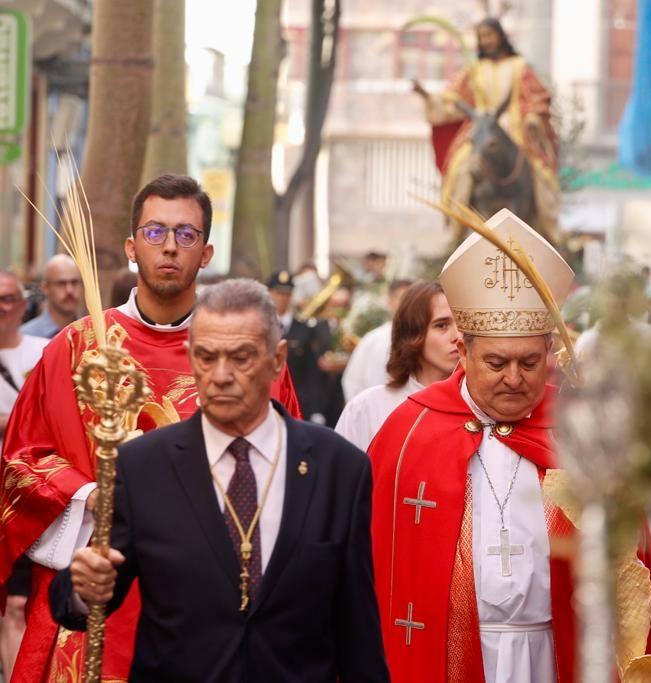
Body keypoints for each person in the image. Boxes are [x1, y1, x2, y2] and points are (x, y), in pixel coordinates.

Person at [0, 173, 301, 683]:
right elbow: (21, 462)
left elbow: (287, 465)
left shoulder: (243, 353)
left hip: (213, 594)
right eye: (155, 232)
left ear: (205, 254)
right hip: (97, 584)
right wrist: (91, 495)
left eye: (186, 235)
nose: (168, 247)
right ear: (132, 245)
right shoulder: (73, 349)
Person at [367, 209, 651, 682]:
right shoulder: (411, 432)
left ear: (550, 352)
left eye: (529, 363)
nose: (514, 379)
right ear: (463, 352)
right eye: (495, 363)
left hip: (556, 652)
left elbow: (629, 559)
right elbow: (375, 562)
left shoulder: (579, 431)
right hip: (450, 655)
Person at [48, 280, 388, 682]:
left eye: (240, 358)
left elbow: (358, 628)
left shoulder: (338, 469)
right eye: (207, 358)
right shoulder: (142, 466)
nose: (221, 376)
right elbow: (91, 595)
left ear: (277, 359)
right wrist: (83, 587)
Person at [412, 17, 560, 242]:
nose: (486, 41)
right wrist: (426, 96)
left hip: (513, 129)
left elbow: (536, 98)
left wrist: (531, 118)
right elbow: (452, 100)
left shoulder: (519, 67)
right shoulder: (474, 70)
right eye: (482, 37)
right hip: (479, 127)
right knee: (461, 169)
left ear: (500, 36)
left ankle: (548, 232)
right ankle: (457, 232)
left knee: (540, 174)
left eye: (489, 35)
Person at [335, 281, 459, 451]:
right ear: (412, 332)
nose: (457, 336)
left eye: (462, 324)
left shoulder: (481, 407)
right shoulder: (367, 408)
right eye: (441, 325)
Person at [0, 271, 48, 676]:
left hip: (30, 492)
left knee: (21, 601)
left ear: (23, 303)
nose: (2, 307)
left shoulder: (45, 350)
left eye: (9, 298)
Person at [268, 270, 340, 426]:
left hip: (298, 403)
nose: (282, 298)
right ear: (270, 293)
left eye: (286, 293)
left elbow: (312, 373)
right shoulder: (261, 326)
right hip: (268, 400)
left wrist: (315, 409)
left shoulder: (305, 329)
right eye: (278, 293)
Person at [342, 279, 412, 401]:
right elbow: (352, 381)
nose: (407, 305)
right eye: (402, 299)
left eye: (412, 300)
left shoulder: (427, 338)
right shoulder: (372, 340)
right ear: (390, 301)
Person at [19, 255, 83, 339]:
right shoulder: (26, 337)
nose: (69, 290)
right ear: (45, 288)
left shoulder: (91, 335)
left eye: (74, 283)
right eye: (61, 283)